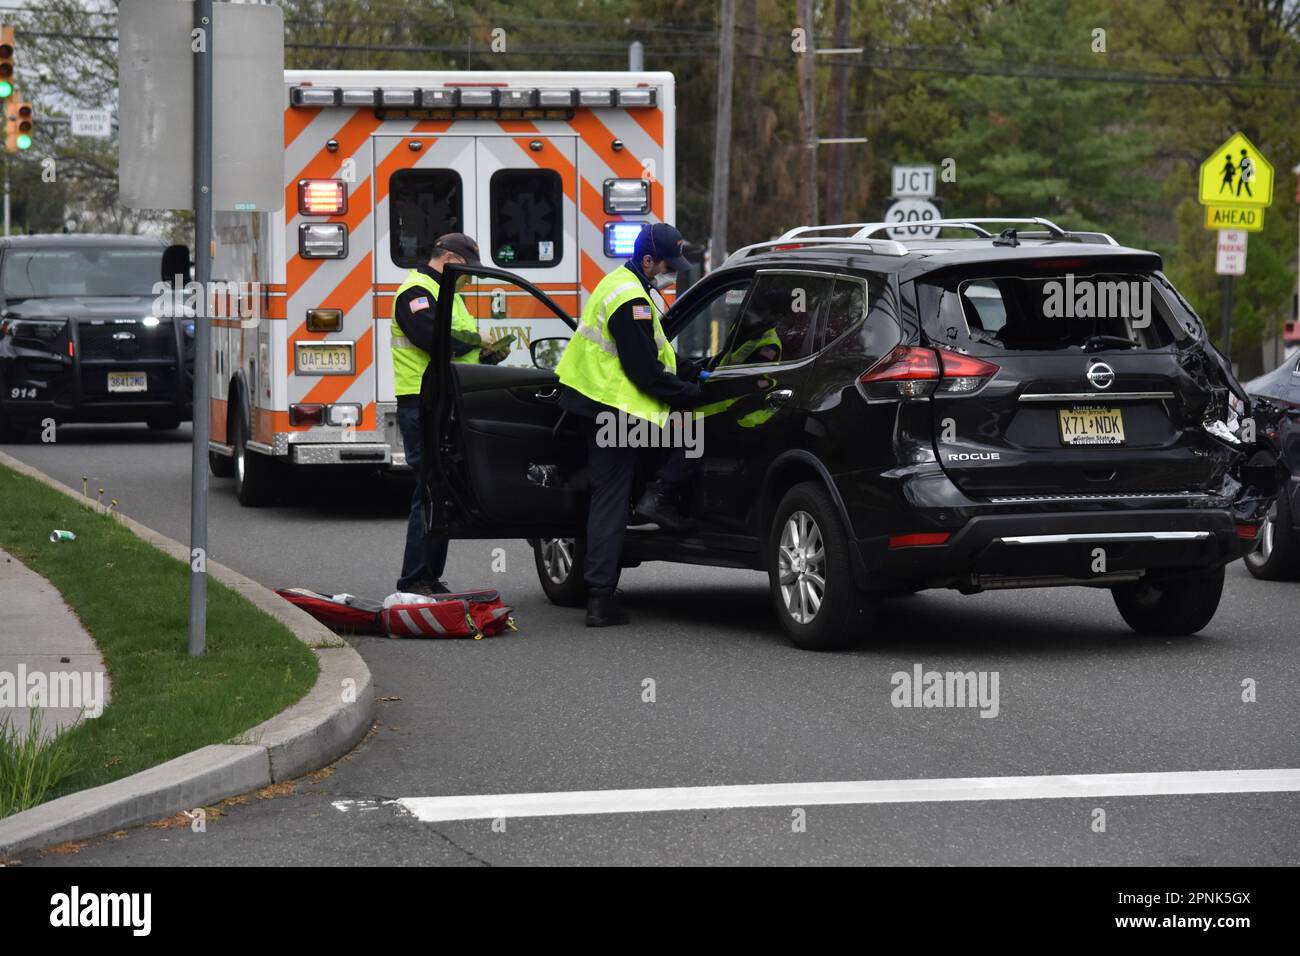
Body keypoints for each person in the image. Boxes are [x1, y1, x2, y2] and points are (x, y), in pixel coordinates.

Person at [554, 223, 706, 627]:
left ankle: (655, 499)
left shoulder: (625, 286)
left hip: (603, 408)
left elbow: (657, 355)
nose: (669, 273)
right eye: (666, 265)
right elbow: (643, 371)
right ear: (647, 260)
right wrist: (689, 394)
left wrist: (695, 370)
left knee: (610, 495)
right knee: (692, 431)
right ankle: (601, 597)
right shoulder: (630, 298)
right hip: (615, 412)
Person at [391, 233, 507, 596]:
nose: (469, 279)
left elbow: (455, 349)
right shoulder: (416, 292)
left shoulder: (446, 295)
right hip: (421, 403)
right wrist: (477, 342)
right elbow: (433, 338)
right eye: (466, 271)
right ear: (450, 260)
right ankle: (413, 579)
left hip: (445, 400)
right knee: (428, 490)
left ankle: (428, 576)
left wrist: (487, 356)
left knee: (440, 492)